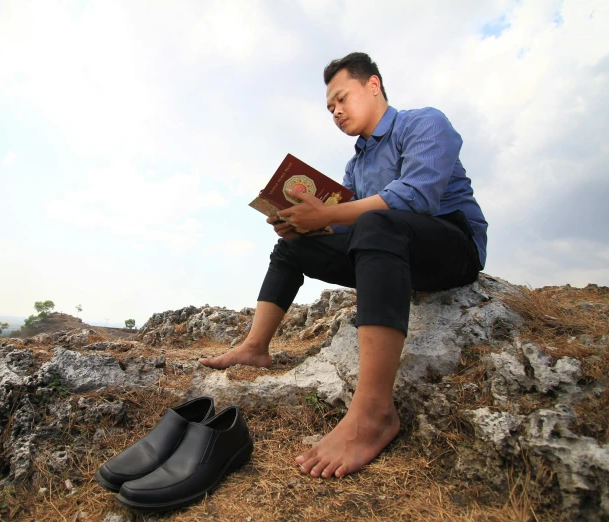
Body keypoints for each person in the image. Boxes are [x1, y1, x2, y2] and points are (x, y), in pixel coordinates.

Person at [199, 52, 488, 479]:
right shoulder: (356, 164)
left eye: (341, 98)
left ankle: (373, 413)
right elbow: (349, 226)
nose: (335, 111)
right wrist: (304, 226)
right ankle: (255, 347)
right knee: (294, 248)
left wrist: (329, 216)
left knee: (376, 222)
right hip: (391, 251)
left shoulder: (423, 122)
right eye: (329, 107)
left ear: (373, 85)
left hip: (451, 246)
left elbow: (417, 198)